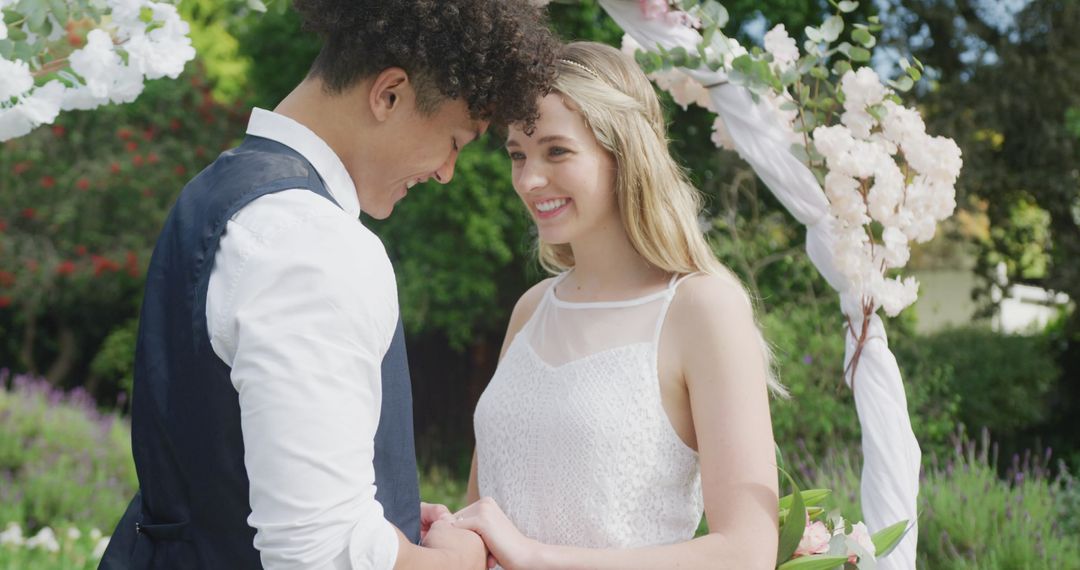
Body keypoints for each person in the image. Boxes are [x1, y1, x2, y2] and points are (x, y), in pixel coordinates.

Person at [98, 2, 558, 569]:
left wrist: (382, 520)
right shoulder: (314, 245)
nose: (446, 172)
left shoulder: (219, 191)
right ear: (389, 94)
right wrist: (452, 560)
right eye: (456, 141)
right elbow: (315, 550)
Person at [455, 41, 785, 569]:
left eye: (556, 151)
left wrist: (535, 559)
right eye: (518, 154)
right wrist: (446, 536)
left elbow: (747, 551)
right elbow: (482, 508)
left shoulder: (702, 309)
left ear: (624, 152)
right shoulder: (532, 308)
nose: (529, 179)